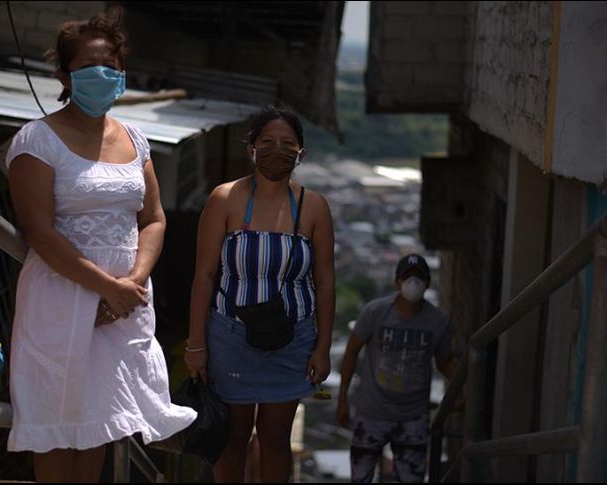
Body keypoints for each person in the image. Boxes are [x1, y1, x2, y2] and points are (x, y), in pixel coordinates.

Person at [4, 8, 196, 483]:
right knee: (55, 422)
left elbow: (153, 218)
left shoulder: (136, 139)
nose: (101, 76)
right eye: (88, 68)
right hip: (61, 296)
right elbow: (40, 232)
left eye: (110, 66)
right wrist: (105, 287)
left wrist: (130, 283)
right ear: (64, 75)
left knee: (100, 425)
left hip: (124, 303)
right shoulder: (37, 140)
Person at [185, 106, 335, 482]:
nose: (276, 150)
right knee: (232, 438)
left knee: (275, 439)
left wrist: (322, 347)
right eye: (267, 142)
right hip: (231, 336)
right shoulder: (225, 198)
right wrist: (196, 343)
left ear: (301, 153)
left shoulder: (314, 207)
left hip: (293, 338)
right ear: (250, 149)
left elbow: (326, 281)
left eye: (288, 144)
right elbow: (203, 275)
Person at [336, 253, 457, 483]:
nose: (413, 282)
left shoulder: (438, 321)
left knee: (411, 478)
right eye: (407, 276)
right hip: (372, 412)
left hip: (412, 416)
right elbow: (351, 351)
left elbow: (444, 361)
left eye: (419, 277)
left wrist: (464, 390)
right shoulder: (375, 312)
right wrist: (342, 399)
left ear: (428, 283)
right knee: (360, 476)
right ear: (397, 282)